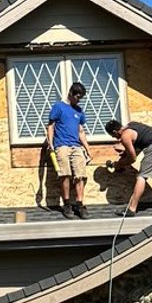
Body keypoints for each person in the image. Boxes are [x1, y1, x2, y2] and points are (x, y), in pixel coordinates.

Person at [44, 79, 90, 215]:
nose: (79, 100)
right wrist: (51, 144)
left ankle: (80, 204)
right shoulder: (59, 107)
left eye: (81, 98)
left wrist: (88, 149)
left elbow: (80, 131)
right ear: (70, 93)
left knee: (80, 175)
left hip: (76, 146)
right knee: (65, 175)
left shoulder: (79, 111)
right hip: (61, 145)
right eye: (77, 97)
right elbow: (51, 126)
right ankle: (67, 204)